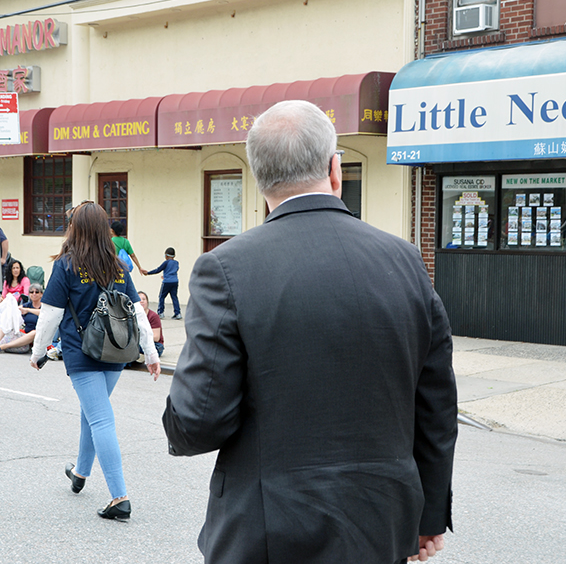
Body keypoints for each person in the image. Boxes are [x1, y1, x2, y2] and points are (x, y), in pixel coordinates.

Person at [162, 100, 458, 564]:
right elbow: (436, 403)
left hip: (269, 530)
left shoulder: (226, 269)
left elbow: (198, 421)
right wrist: (429, 516)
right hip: (383, 525)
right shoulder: (404, 260)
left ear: (259, 180)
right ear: (334, 168)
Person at [28, 201, 161, 520]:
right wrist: (150, 353)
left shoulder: (66, 265)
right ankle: (80, 473)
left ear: (75, 227)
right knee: (93, 412)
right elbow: (137, 311)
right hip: (116, 349)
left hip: (82, 351)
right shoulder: (118, 264)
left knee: (100, 418)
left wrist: (38, 352)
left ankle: (120, 497)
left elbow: (50, 315)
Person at [0, 283, 43, 353]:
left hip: (37, 336)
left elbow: (43, 313)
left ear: (41, 294)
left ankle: (3, 346)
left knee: (34, 332)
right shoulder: (28, 305)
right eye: (31, 292)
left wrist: (28, 310)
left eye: (37, 292)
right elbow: (17, 309)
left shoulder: (43, 306)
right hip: (25, 332)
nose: (34, 294)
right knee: (6, 324)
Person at [0, 259, 30, 338]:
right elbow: (4, 294)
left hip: (18, 303)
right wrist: (1, 298)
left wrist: (13, 297)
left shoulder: (25, 280)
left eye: (17, 268)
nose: (15, 270)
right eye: (13, 268)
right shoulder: (7, 281)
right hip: (7, 302)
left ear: (20, 269)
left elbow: (26, 294)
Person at [146, 247, 181, 319]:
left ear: (167, 255)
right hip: (175, 281)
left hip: (167, 282)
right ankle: (178, 313)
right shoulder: (176, 263)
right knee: (174, 297)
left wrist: (148, 273)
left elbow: (158, 270)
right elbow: (174, 271)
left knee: (161, 296)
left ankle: (160, 312)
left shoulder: (166, 262)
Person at [138, 291, 164, 357]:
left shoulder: (153, 316)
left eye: (144, 299)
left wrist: (139, 338)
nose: (142, 301)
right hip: (138, 343)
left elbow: (156, 337)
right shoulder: (132, 315)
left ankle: (139, 356)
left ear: (147, 302)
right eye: (139, 299)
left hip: (155, 344)